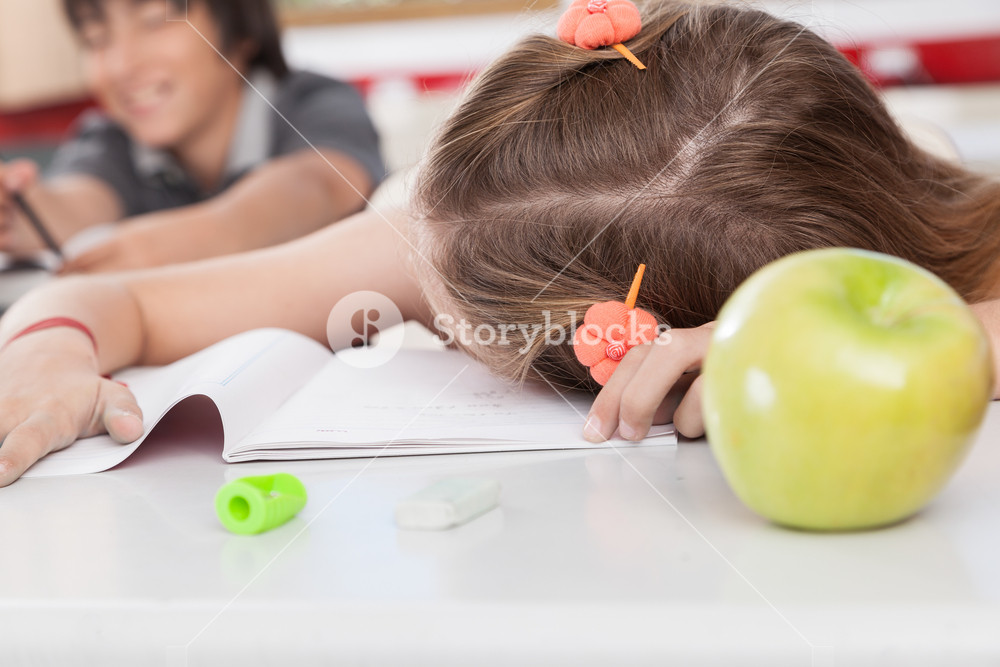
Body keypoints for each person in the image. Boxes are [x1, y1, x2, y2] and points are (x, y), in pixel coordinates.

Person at [1, 0, 999, 486]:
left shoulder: (903, 211)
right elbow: (124, 301)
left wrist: (782, 343)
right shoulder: (438, 226)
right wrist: (46, 352)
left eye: (459, 314)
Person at [0, 0, 383, 273]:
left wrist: (169, 245)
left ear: (241, 27)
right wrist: (15, 212)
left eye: (154, 19)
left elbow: (316, 187)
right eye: (96, 38)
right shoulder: (111, 139)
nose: (121, 64)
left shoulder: (312, 103)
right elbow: (76, 204)